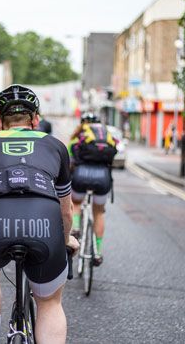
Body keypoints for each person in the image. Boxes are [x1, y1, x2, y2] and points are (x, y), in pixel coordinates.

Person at [0, 84, 79, 344]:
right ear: (36, 120)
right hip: (44, 225)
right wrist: (64, 241)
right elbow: (66, 210)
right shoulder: (56, 146)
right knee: (50, 301)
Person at [68, 112, 117, 266]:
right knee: (98, 212)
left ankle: (75, 228)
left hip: (81, 175)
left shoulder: (77, 138)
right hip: (102, 178)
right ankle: (97, 252)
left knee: (76, 203)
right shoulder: (107, 137)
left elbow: (69, 161)